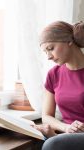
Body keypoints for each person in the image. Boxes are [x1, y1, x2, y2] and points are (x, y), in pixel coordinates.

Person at [35, 21, 84, 150]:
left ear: (69, 40)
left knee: (52, 145)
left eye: (51, 49)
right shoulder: (53, 74)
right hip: (68, 134)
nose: (49, 57)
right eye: (45, 52)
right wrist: (66, 128)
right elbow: (46, 116)